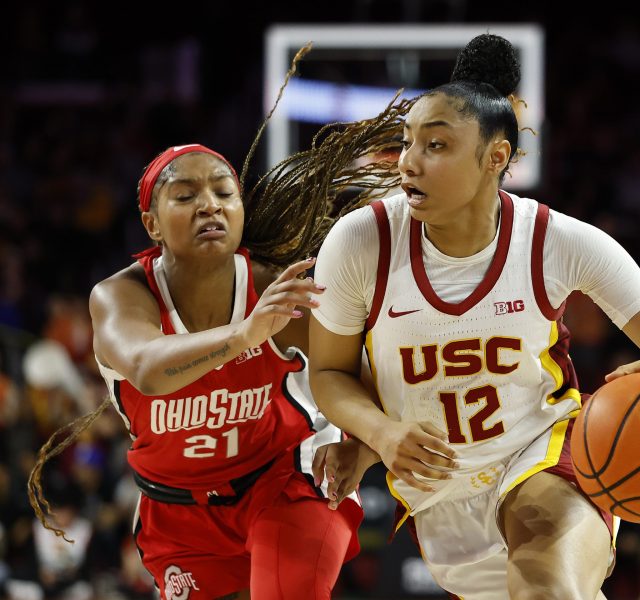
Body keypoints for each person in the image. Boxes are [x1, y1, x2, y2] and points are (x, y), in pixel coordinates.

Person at [308, 34, 640, 600]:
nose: (409, 161)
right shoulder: (361, 241)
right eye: (407, 142)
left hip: (544, 455)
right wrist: (378, 433)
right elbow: (328, 375)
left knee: (548, 588)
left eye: (435, 145)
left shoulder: (557, 241)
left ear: (495, 158)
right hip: (439, 494)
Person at [28, 65, 411, 599]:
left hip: (287, 482)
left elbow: (382, 377)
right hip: (176, 511)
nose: (209, 203)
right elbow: (147, 371)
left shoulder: (278, 289)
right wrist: (244, 337)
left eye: (223, 192)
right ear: (152, 224)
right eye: (185, 195)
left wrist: (363, 449)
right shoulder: (121, 296)